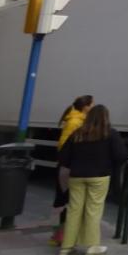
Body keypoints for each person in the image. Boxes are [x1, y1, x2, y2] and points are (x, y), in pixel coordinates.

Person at [58, 104, 128, 255]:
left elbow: (63, 157)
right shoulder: (110, 133)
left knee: (74, 210)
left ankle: (66, 247)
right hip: (99, 176)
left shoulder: (78, 133)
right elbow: (121, 155)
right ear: (106, 118)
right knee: (93, 210)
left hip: (76, 176)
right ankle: (92, 246)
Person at [49, 95, 93, 247]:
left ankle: (61, 235)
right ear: (85, 106)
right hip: (67, 168)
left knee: (65, 201)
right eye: (91, 104)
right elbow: (64, 145)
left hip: (68, 166)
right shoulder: (75, 122)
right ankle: (58, 235)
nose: (92, 107)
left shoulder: (79, 121)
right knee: (64, 201)